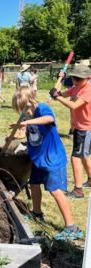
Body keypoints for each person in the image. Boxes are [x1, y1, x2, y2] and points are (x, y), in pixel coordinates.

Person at [12, 86, 83, 241]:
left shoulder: (43, 109)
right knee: (34, 184)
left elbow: (49, 119)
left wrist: (28, 121)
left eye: (24, 107)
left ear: (31, 101)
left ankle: (72, 227)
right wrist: (15, 134)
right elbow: (25, 132)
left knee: (55, 191)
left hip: (52, 158)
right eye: (20, 109)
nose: (23, 112)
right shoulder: (27, 115)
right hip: (38, 157)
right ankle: (37, 213)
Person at [50, 62, 91, 199]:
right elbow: (61, 95)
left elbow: (73, 106)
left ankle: (78, 190)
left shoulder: (88, 90)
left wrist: (59, 97)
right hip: (79, 127)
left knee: (76, 157)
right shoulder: (75, 87)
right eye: (74, 78)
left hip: (85, 128)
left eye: (79, 79)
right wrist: (57, 90)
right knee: (84, 156)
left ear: (87, 78)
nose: (76, 80)